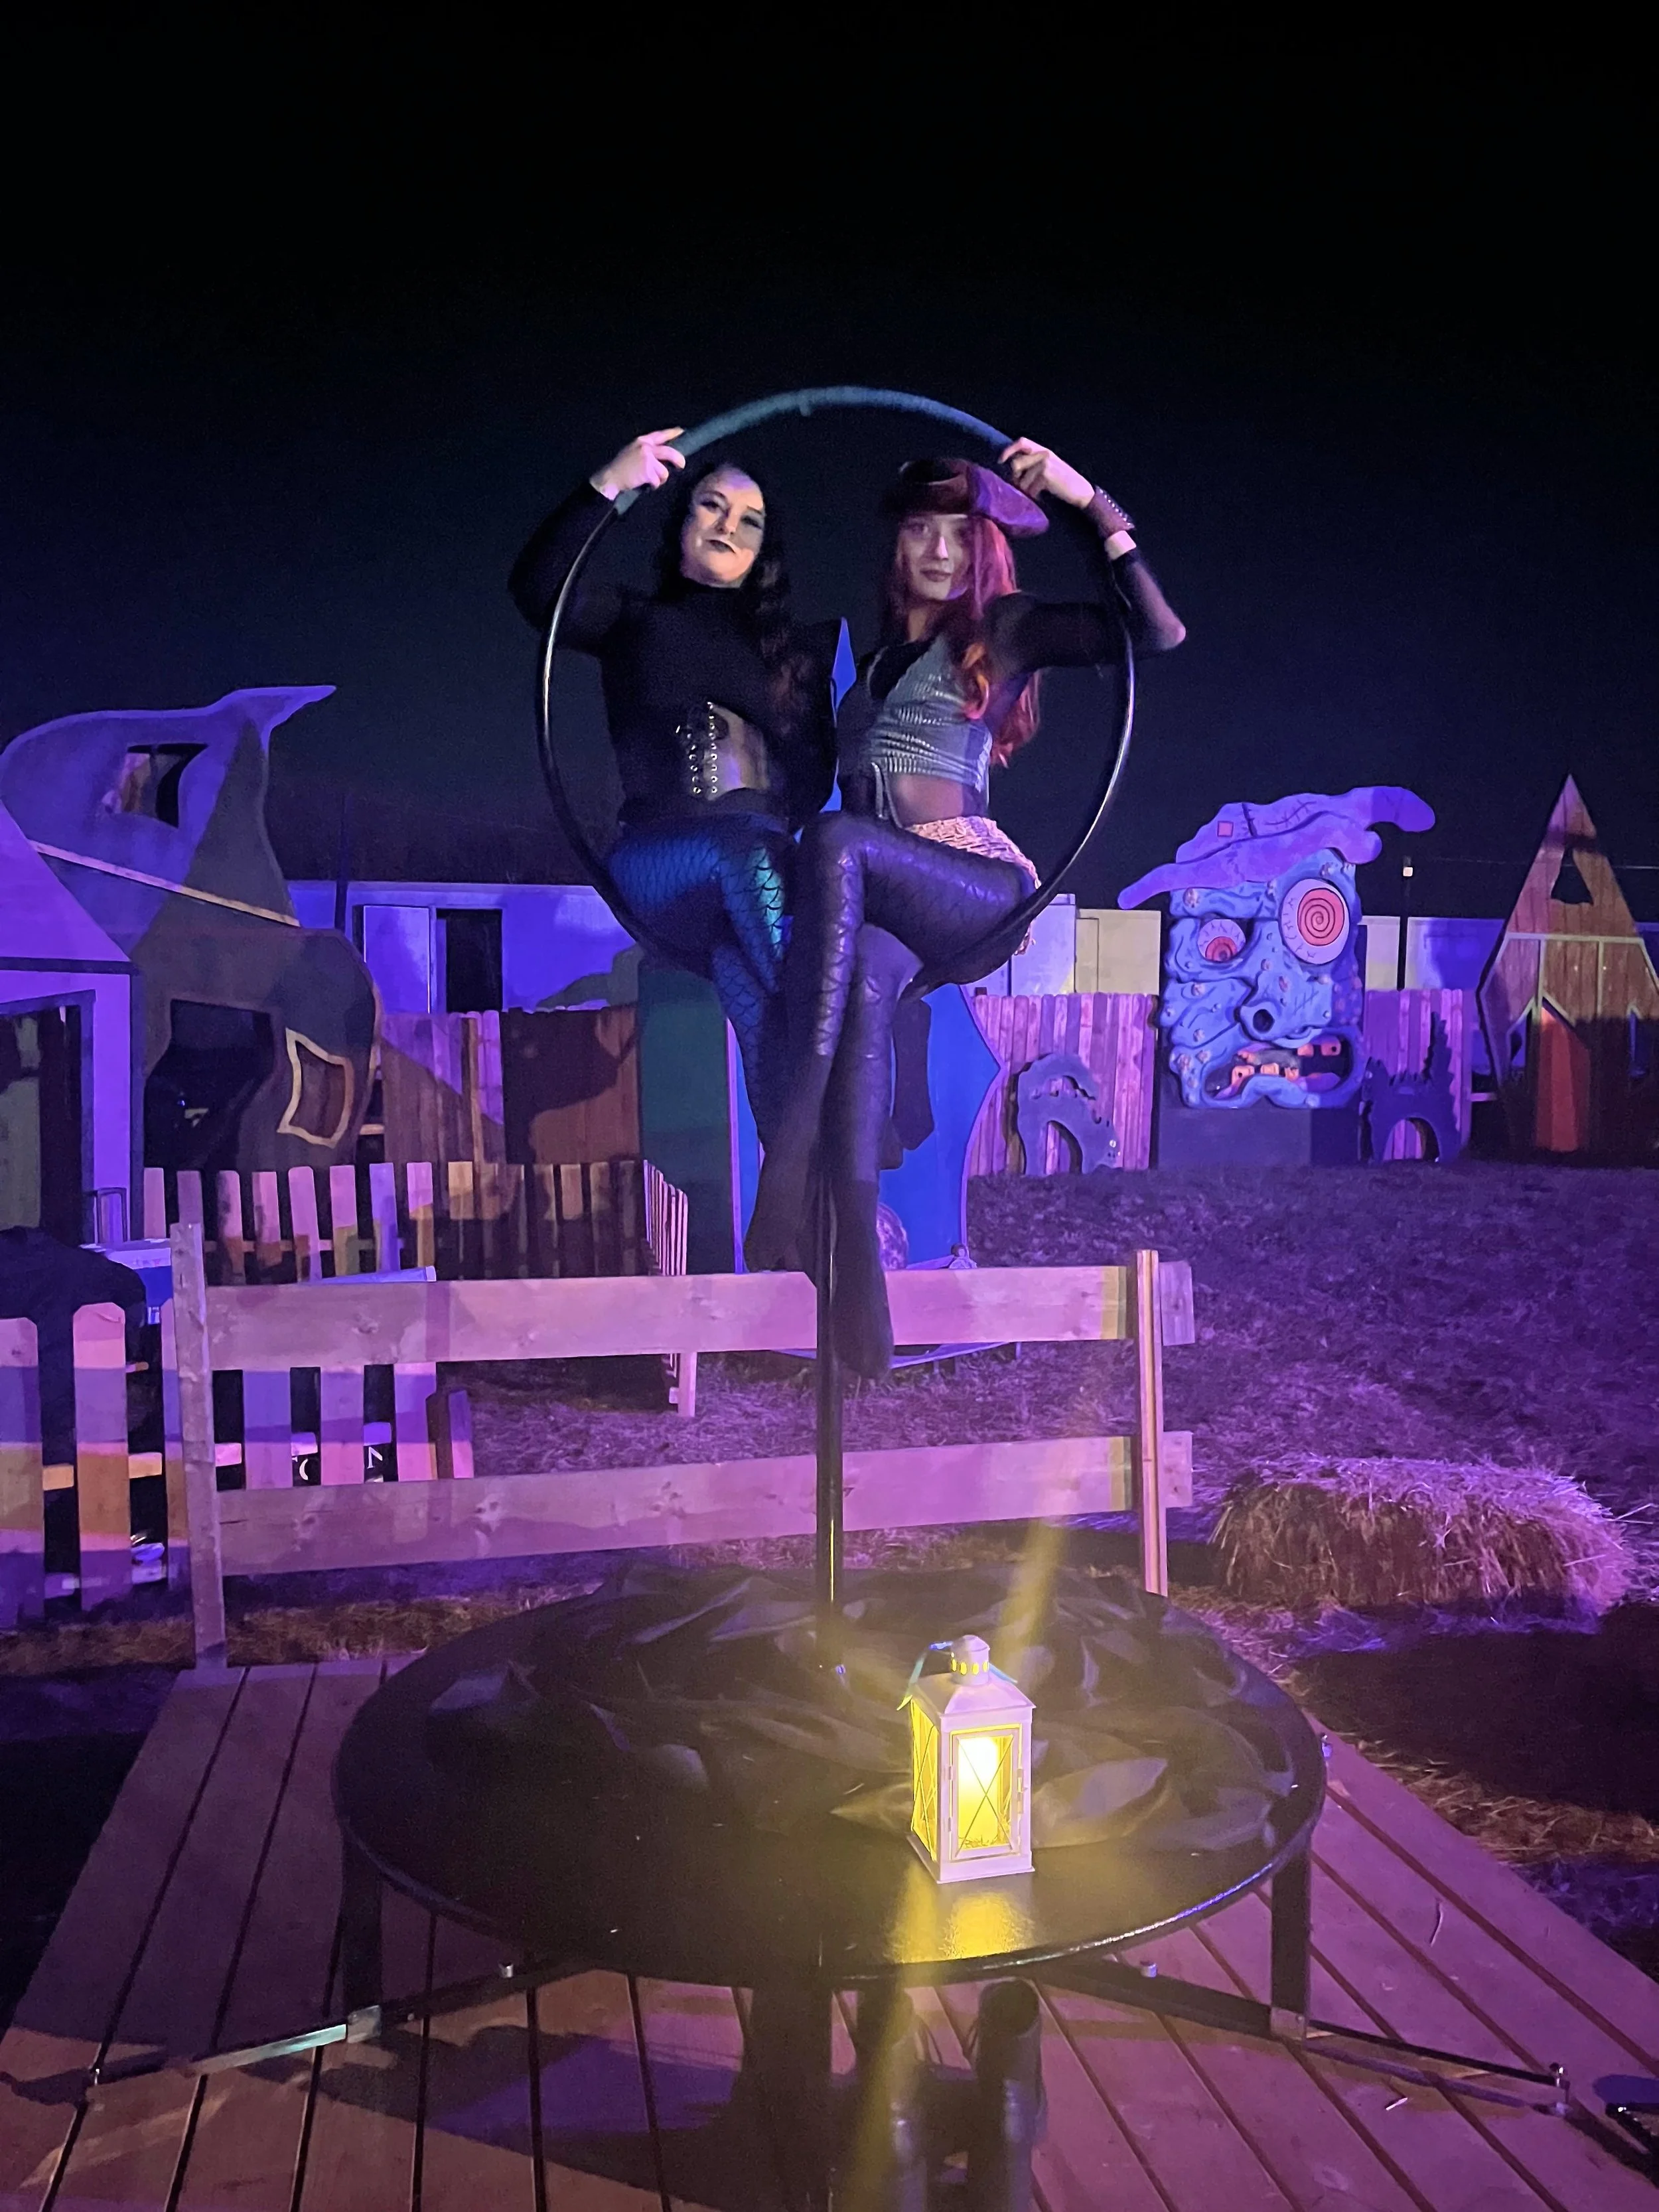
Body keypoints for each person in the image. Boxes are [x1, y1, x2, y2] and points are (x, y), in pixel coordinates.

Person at [745, 439, 1187, 1372]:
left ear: (981, 549)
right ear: (895, 544)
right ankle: (858, 1270)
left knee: (831, 841)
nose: (939, 550)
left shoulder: (1005, 631)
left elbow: (1155, 632)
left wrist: (1082, 496)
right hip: (888, 903)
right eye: (920, 529)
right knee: (860, 964)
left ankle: (788, 1154)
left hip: (975, 884)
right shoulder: (869, 666)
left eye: (959, 532)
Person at [510, 429, 843, 1139]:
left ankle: (794, 1191)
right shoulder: (633, 622)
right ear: (682, 521)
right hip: (665, 861)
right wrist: (610, 482)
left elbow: (817, 780)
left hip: (757, 876)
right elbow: (539, 588)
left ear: (763, 552)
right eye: (712, 507)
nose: (728, 526)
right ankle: (840, 1072)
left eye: (748, 521)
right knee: (744, 860)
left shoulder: (790, 658)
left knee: (752, 1001)